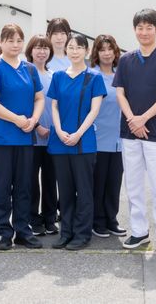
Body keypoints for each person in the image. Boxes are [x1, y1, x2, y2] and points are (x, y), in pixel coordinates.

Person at [114, 8, 156, 251]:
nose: (144, 32)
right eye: (140, 28)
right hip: (129, 132)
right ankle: (139, 231)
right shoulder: (126, 60)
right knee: (133, 185)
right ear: (135, 30)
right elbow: (120, 93)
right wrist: (133, 120)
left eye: (149, 27)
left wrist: (143, 119)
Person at [0, 24, 45, 251]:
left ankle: (22, 231)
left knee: (23, 187)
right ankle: (4, 232)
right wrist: (17, 119)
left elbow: (39, 98)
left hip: (25, 138)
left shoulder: (30, 69)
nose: (15, 45)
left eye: (19, 40)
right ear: (1, 42)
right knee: (1, 186)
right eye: (10, 40)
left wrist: (33, 119)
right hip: (0, 139)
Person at [48, 33, 107, 250]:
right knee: (64, 191)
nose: (74, 51)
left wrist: (78, 134)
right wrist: (59, 130)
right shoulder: (58, 76)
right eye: (71, 47)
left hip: (84, 142)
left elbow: (94, 110)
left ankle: (82, 235)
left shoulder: (94, 77)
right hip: (60, 141)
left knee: (84, 191)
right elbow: (54, 106)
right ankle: (66, 233)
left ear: (86, 51)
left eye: (79, 47)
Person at [90, 34, 127, 238]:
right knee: (98, 182)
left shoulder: (121, 76)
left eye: (110, 49)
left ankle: (112, 219)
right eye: (102, 49)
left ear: (115, 52)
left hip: (119, 139)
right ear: (96, 53)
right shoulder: (91, 75)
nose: (106, 53)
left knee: (114, 182)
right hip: (97, 138)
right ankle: (98, 221)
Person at [26, 34, 59, 236]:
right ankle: (33, 219)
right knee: (30, 181)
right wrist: (37, 126)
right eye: (38, 47)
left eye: (45, 48)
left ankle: (50, 218)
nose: (41, 51)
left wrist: (54, 129)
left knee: (50, 180)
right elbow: (23, 103)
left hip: (52, 137)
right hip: (31, 136)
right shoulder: (25, 73)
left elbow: (59, 105)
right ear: (30, 51)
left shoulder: (54, 75)